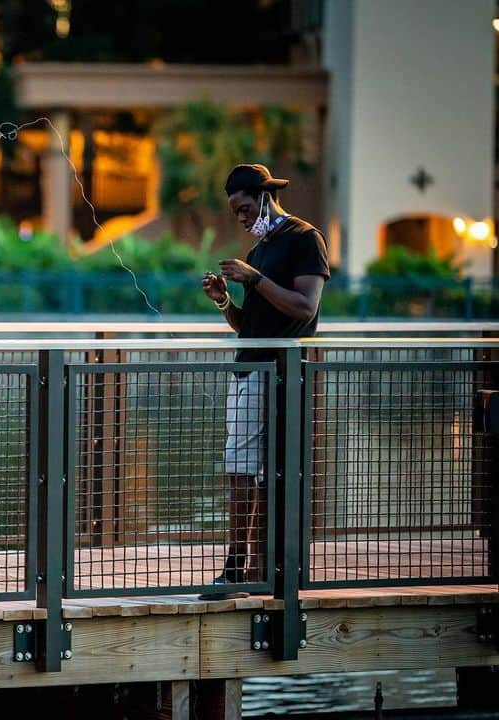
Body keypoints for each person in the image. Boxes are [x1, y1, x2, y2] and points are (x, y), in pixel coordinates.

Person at [199, 163, 329, 597]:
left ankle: (253, 568)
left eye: (244, 207)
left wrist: (255, 278)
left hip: (281, 375)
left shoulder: (304, 238)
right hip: (248, 371)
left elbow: (304, 307)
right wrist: (224, 301)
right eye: (234, 211)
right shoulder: (257, 252)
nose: (239, 217)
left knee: (266, 471)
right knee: (242, 470)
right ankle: (246, 568)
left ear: (266, 197)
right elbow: (247, 324)